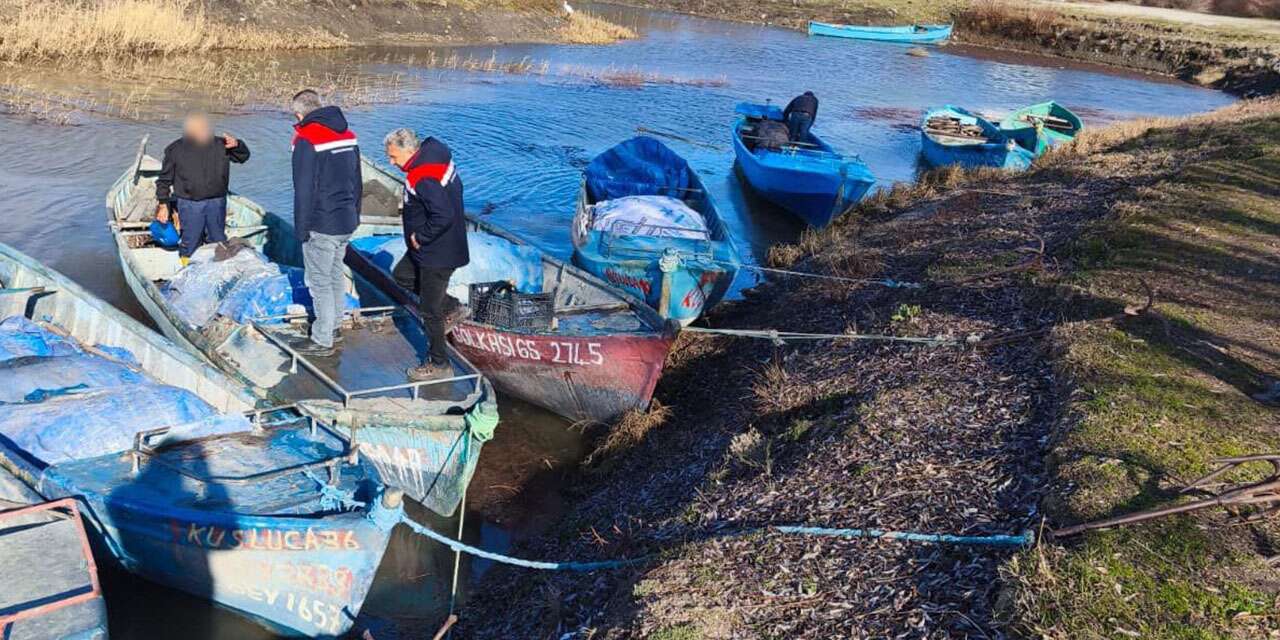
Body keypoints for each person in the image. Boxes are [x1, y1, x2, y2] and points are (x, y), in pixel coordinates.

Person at [383, 128, 469, 381]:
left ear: (409, 151)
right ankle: (452, 305)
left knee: (429, 311)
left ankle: (439, 363)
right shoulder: (435, 155)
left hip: (436, 252)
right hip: (434, 247)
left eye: (393, 157)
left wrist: (421, 237)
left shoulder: (423, 176)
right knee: (402, 275)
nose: (391, 162)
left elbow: (443, 214)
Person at [289, 89, 362, 357]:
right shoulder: (348, 135)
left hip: (321, 222)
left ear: (299, 114)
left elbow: (303, 189)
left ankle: (321, 341)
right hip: (346, 220)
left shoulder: (306, 139)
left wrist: (301, 228)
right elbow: (358, 178)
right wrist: (356, 213)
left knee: (319, 280)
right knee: (334, 275)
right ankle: (332, 327)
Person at [155, 113, 250, 264]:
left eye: (206, 128)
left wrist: (238, 145)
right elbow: (164, 180)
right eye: (200, 129)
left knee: (218, 240)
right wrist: (163, 204)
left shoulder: (222, 144)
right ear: (190, 131)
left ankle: (217, 272)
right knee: (190, 242)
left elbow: (243, 157)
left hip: (217, 202)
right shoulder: (175, 149)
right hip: (190, 204)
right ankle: (188, 272)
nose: (204, 131)